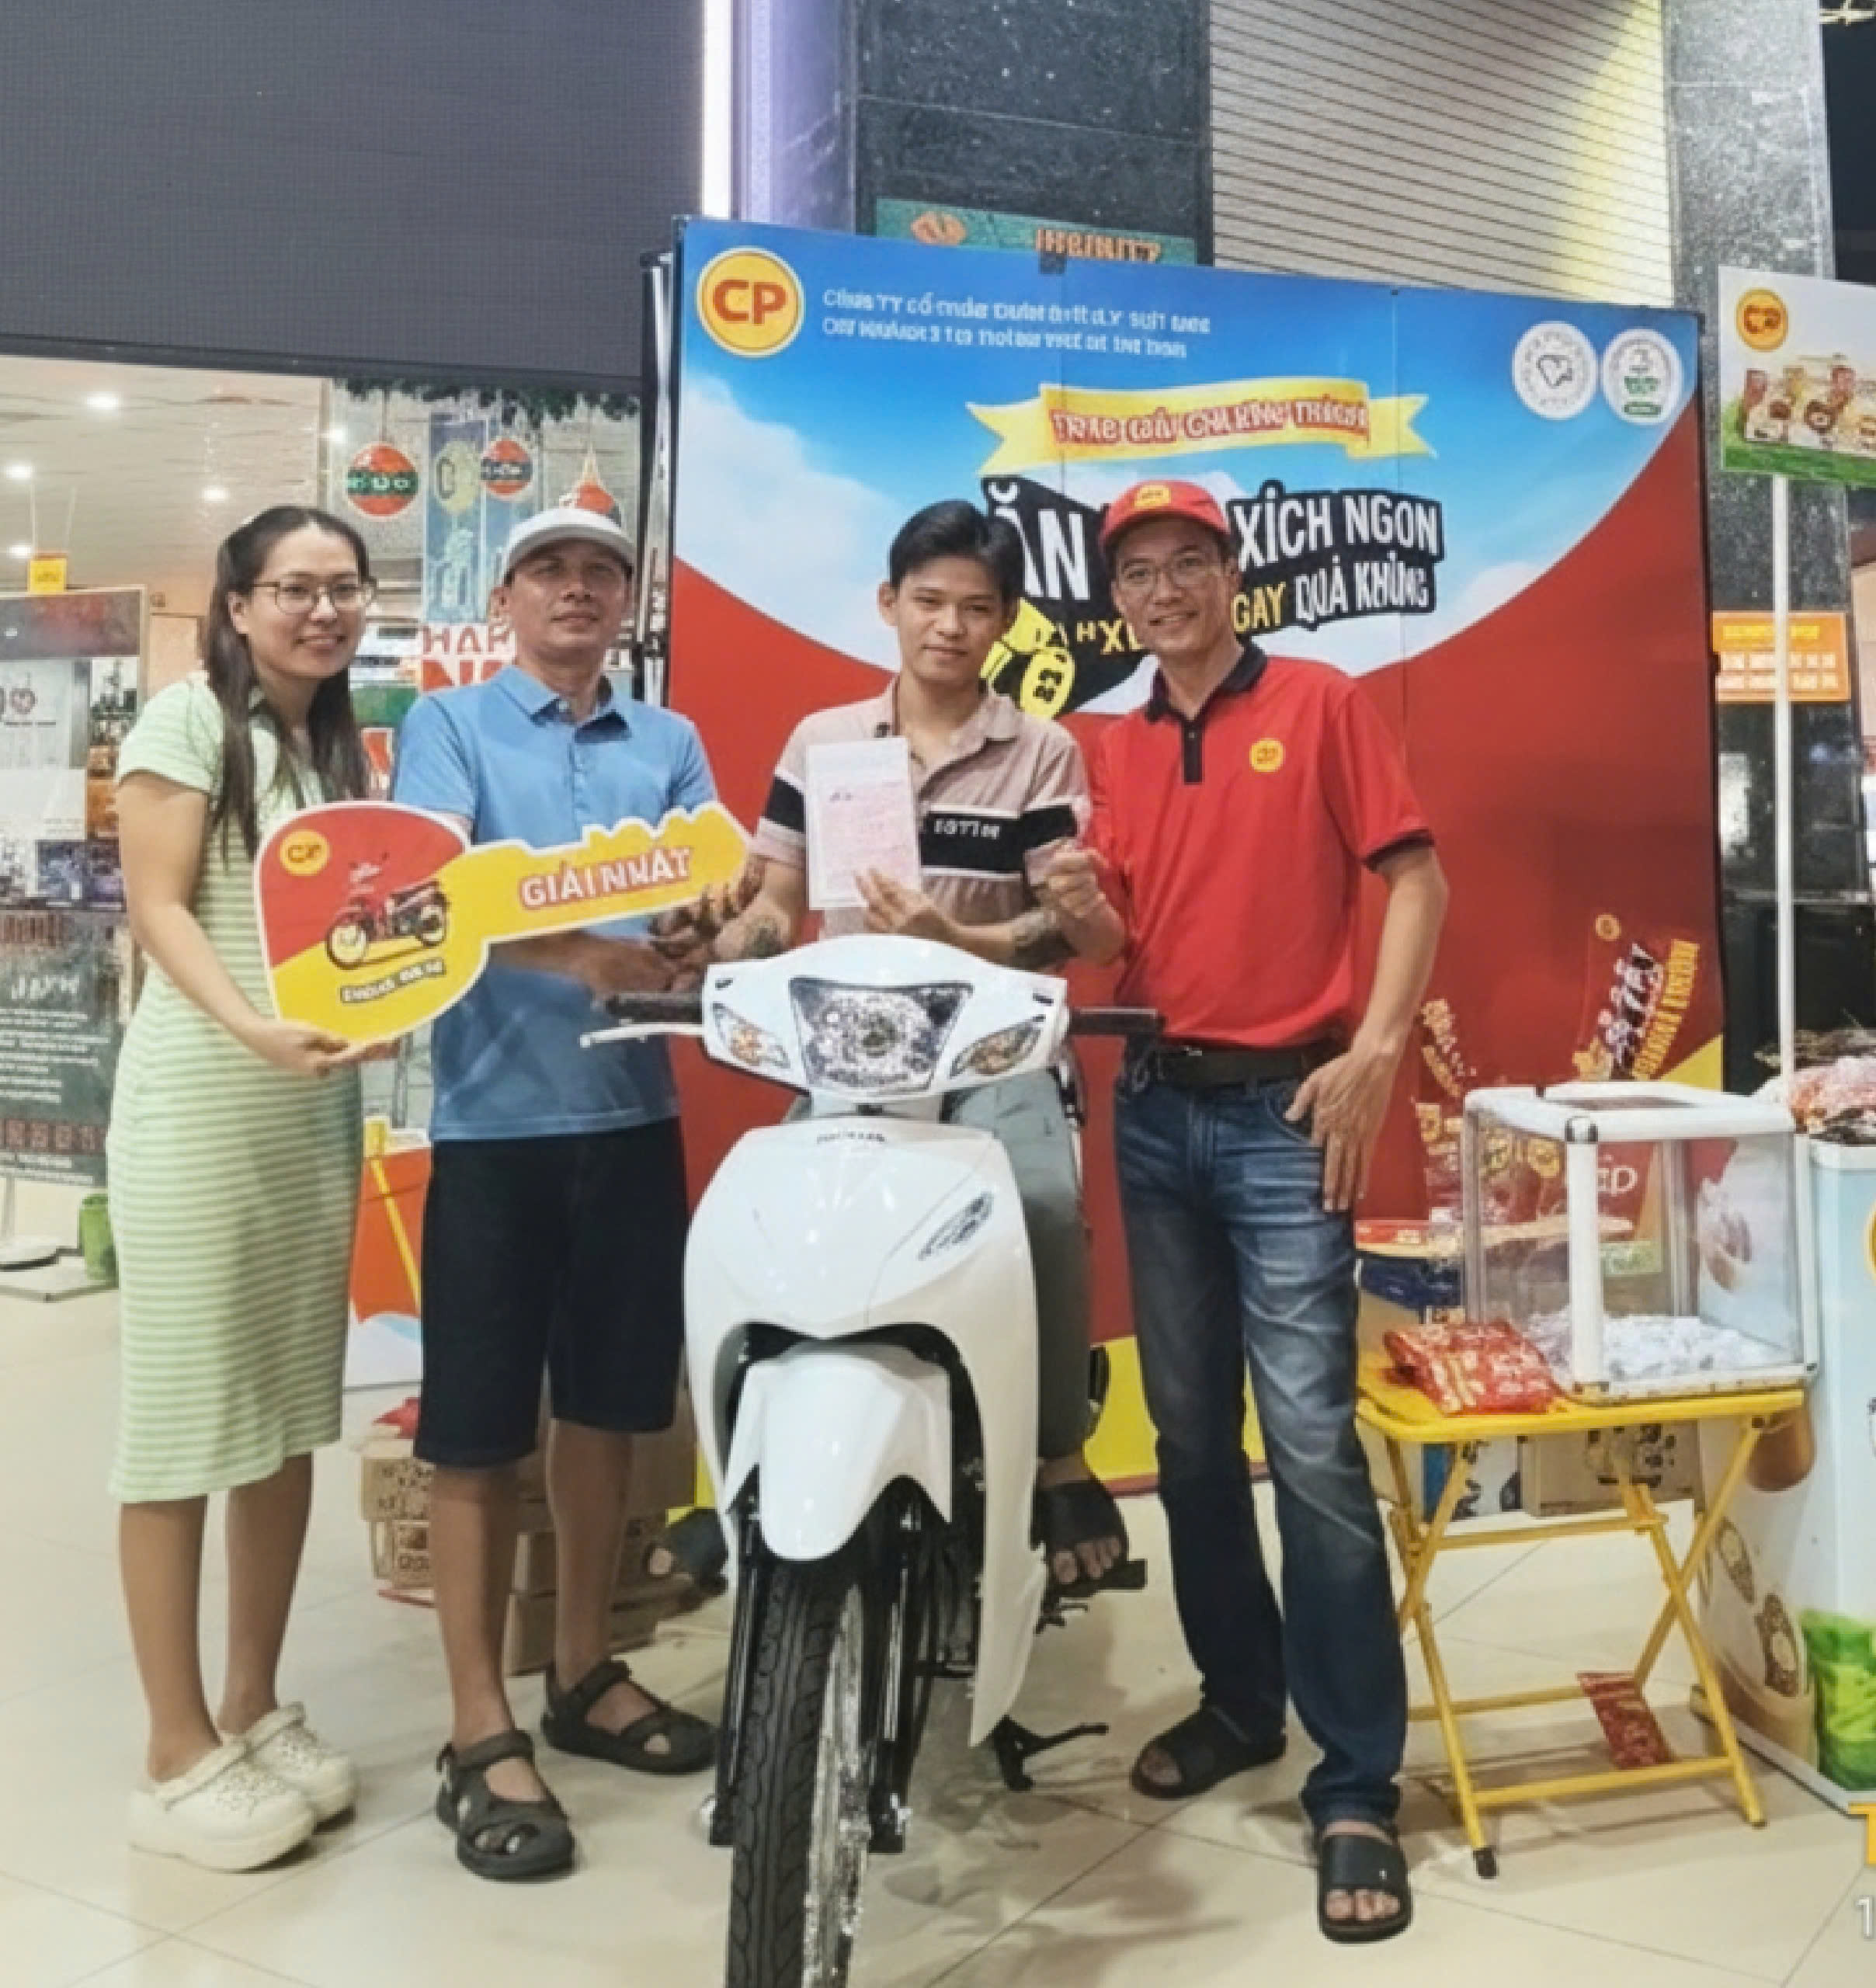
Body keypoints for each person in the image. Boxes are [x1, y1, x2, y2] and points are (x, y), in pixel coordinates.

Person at [1042, 478, 1448, 1944]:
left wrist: (1378, 1050)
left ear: (1231, 574)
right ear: (1118, 597)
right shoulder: (1101, 740)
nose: (1164, 590)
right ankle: (1238, 1700)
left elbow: (1416, 879)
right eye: (1138, 572)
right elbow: (1103, 931)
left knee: (1314, 1446)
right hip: (1154, 1105)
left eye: (1188, 563)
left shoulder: (1322, 704)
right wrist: (1069, 909)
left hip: (1288, 1117)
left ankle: (1357, 1785)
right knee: (1192, 1439)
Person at [664, 499, 1131, 1587]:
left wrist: (956, 940)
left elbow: (1060, 925)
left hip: (992, 1049)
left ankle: (1060, 1458)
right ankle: (740, 1464)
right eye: (929, 601)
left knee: (1043, 1209)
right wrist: (718, 943)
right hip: (849, 1051)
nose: (950, 627)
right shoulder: (824, 742)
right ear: (889, 604)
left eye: (976, 608)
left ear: (1005, 622)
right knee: (760, 1221)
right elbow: (775, 902)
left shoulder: (1042, 751)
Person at [391, 506, 717, 1882]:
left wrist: (704, 929)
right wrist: (582, 950)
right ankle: (479, 1727)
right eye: (549, 571)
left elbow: (704, 889)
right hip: (495, 1126)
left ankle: (584, 1670)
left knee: (606, 1410)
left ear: (625, 603)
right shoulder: (450, 727)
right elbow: (425, 903)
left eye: (601, 572)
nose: (576, 590)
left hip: (635, 1115)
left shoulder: (669, 741)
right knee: (475, 1429)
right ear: (507, 598)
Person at [109, 506, 380, 1870]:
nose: (323, 612)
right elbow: (158, 906)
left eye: (344, 588)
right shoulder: (184, 722)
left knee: (281, 1419)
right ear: (236, 605)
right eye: (294, 589)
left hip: (309, 1114)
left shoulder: (333, 747)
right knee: (181, 1426)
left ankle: (251, 1706)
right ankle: (173, 1752)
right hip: (202, 1110)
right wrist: (251, 1027)